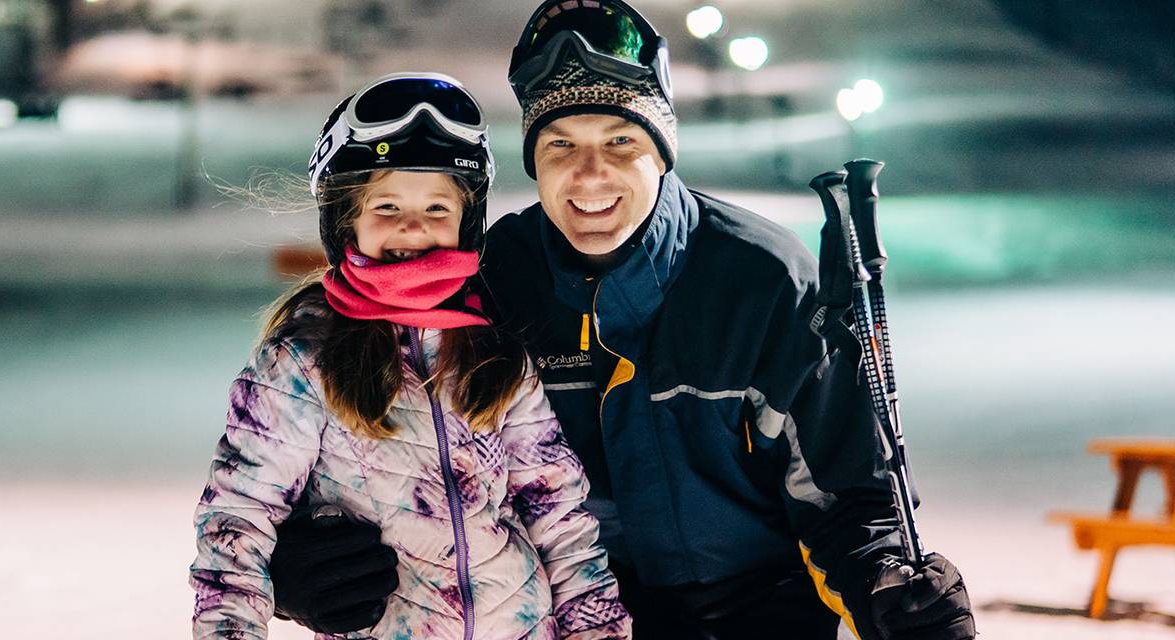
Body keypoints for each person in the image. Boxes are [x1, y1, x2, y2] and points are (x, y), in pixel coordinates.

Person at [264, 3, 977, 639]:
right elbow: (366, 431)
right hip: (572, 613)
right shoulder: (495, 281)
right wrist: (296, 560)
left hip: (760, 610)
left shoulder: (760, 280)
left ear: (661, 152)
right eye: (560, 145)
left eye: (619, 143)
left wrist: (888, 583)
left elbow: (846, 493)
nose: (589, 174)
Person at [190, 73, 632, 640]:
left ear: (467, 223)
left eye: (438, 207)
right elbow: (238, 521)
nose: (413, 227)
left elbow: (560, 518)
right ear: (345, 220)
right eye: (387, 204)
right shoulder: (302, 363)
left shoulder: (495, 354)